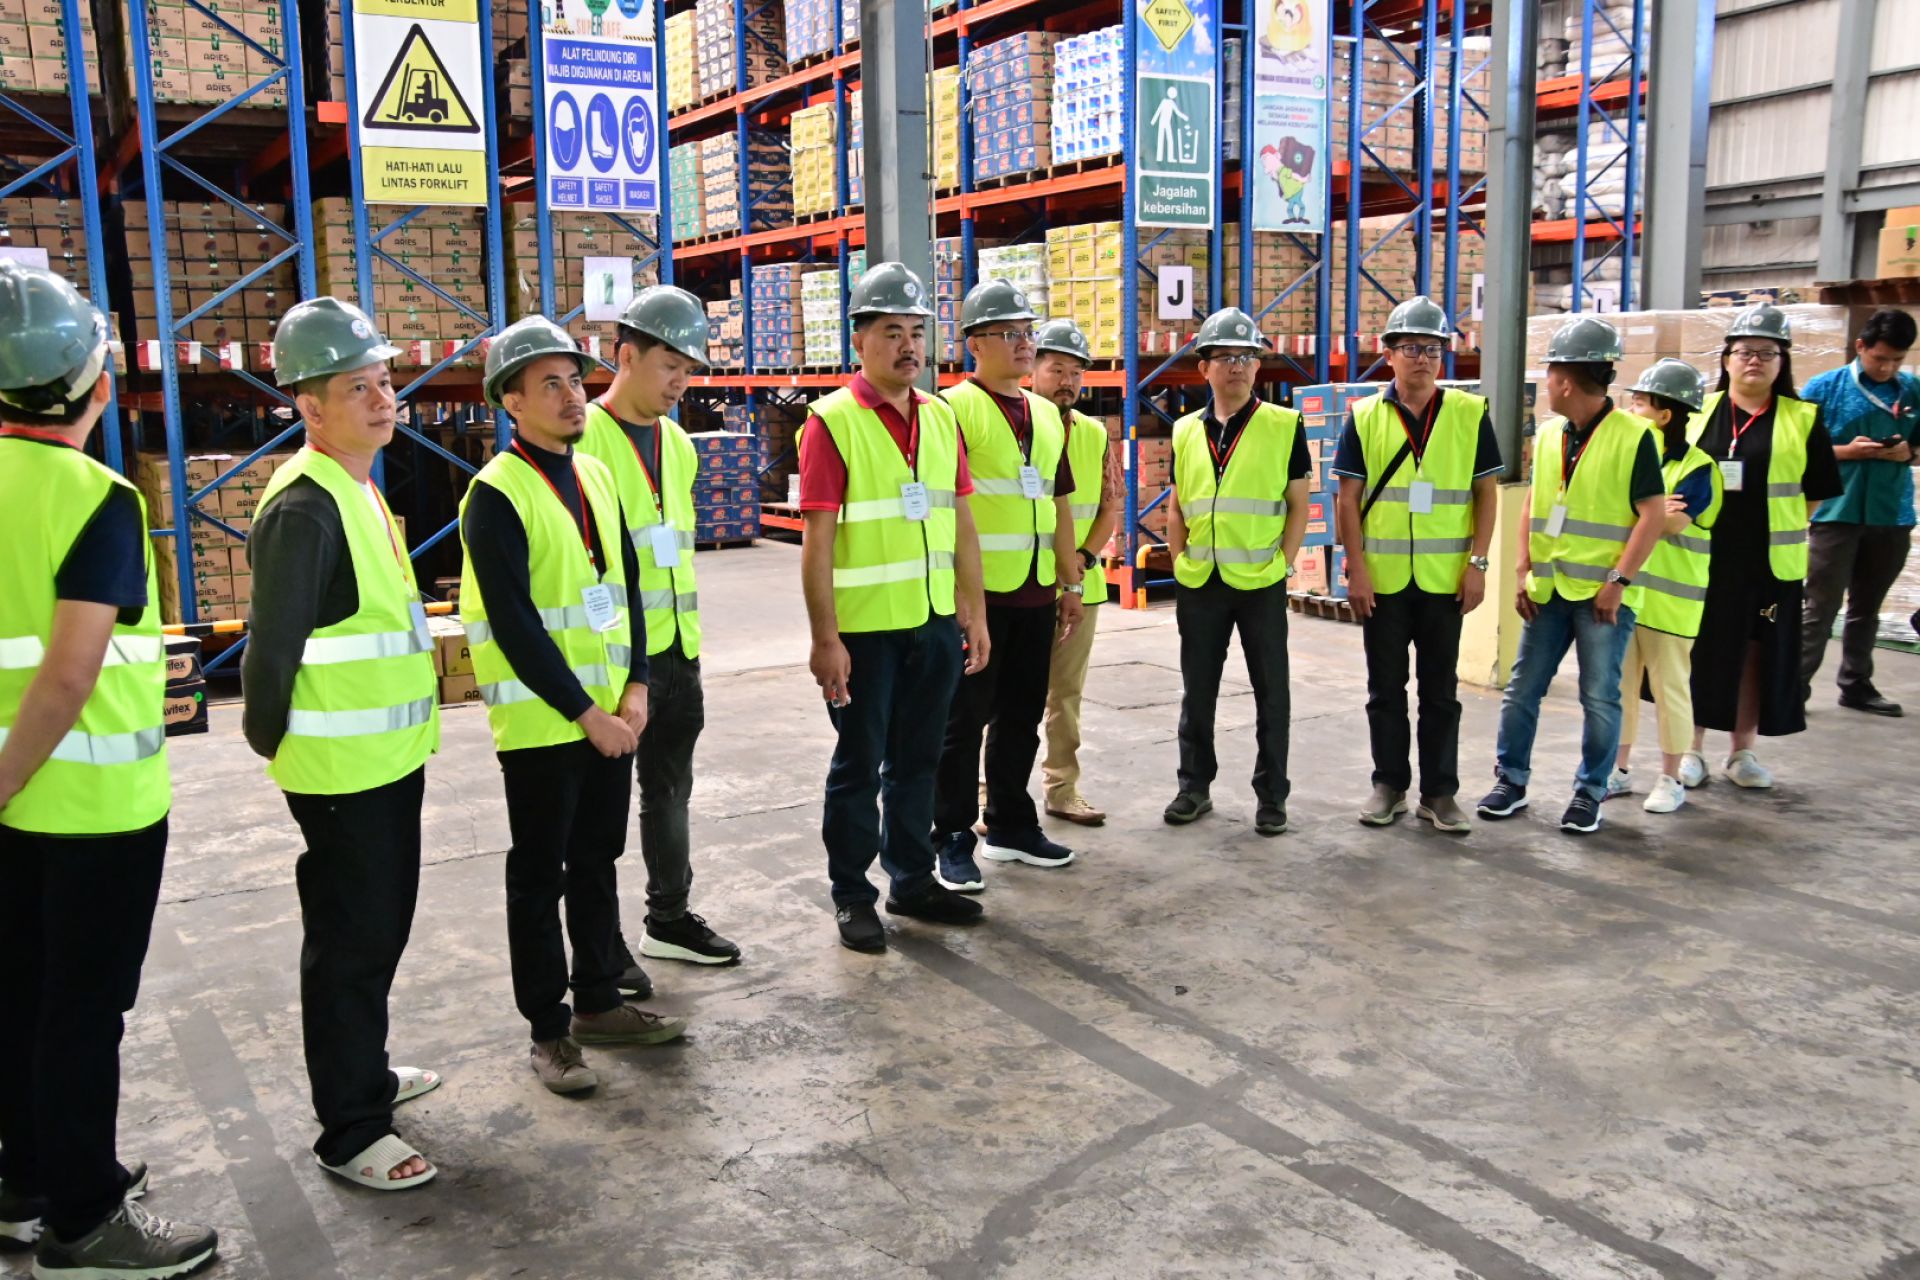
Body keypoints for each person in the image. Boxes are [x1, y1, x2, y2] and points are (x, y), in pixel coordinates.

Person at [0, 263, 217, 1276]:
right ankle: (85, 1220)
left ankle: (29, 1179)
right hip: (91, 810)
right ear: (96, 381)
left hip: (14, 815)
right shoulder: (98, 500)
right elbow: (70, 671)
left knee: (18, 994)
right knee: (83, 1013)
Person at [244, 298, 443, 1190]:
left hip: (384, 761)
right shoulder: (306, 507)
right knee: (351, 944)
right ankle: (351, 1128)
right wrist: (274, 742)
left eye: (384, 380)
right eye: (355, 388)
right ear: (308, 406)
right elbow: (271, 652)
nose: (381, 398)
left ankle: (367, 1075)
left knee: (378, 931)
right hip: (338, 772)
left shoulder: (357, 487)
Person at [460, 316, 686, 1096]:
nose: (571, 396)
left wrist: (636, 686)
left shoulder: (593, 475)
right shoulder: (496, 494)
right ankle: (548, 1032)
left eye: (575, 381)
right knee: (539, 876)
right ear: (512, 402)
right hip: (543, 724)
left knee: (597, 862)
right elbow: (515, 625)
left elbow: (628, 588)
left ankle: (598, 1000)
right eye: (549, 384)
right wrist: (588, 716)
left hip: (610, 716)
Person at [799, 262, 991, 951]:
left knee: (919, 763)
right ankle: (853, 895)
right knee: (859, 766)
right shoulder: (831, 423)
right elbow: (817, 542)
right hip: (865, 634)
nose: (909, 346)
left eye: (916, 331)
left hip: (933, 624)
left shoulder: (939, 417)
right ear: (859, 341)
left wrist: (975, 610)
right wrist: (826, 639)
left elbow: (960, 522)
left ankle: (912, 880)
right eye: (891, 332)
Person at [576, 285, 741, 985]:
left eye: (689, 369)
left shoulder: (677, 443)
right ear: (625, 356)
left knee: (670, 791)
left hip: (678, 649)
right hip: (613, 662)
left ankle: (668, 919)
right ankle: (599, 949)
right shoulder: (582, 437)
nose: (681, 382)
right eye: (670, 365)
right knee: (597, 816)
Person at [1477, 315, 1667, 835]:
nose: (1546, 382)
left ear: (1564, 380)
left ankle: (1590, 791)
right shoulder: (1549, 434)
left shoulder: (1635, 437)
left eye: (1550, 372)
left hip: (1602, 595)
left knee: (1599, 696)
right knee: (1523, 690)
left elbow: (1652, 514)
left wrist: (1618, 582)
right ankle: (1511, 781)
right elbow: (1534, 504)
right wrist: (1522, 567)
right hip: (1548, 589)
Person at [931, 278, 1085, 890]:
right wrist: (962, 600)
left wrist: (1070, 583)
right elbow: (945, 508)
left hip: (1036, 591)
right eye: (1009, 333)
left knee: (1022, 715)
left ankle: (1011, 825)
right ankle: (951, 835)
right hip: (981, 598)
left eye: (1028, 333)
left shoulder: (1046, 414)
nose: (1025, 344)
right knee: (963, 721)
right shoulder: (950, 410)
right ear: (975, 344)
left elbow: (1060, 501)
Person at [1332, 296, 1501, 834]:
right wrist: (1357, 568)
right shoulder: (1364, 417)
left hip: (1444, 580)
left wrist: (1478, 564)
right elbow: (1347, 499)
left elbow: (1486, 493)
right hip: (1382, 582)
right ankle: (1389, 785)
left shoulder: (1470, 414)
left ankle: (1440, 793)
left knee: (1440, 693)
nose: (1422, 358)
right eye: (1411, 348)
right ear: (1388, 355)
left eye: (1432, 348)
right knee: (1385, 690)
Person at [1163, 306, 1310, 836]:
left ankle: (1272, 796)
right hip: (1201, 582)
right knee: (1197, 691)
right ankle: (1193, 787)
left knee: (1272, 693)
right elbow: (1177, 506)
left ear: (1258, 366)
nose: (1237, 366)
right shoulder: (1185, 430)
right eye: (1225, 357)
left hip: (1260, 583)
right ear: (1204, 368)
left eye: (1246, 357)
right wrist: (1179, 560)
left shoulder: (1283, 425)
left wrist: (1284, 563)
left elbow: (1299, 504)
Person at [1684, 304, 1843, 789]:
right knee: (1701, 653)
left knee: (1756, 654)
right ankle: (1690, 749)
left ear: (1782, 362)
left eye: (1767, 352)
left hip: (1770, 562)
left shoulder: (1803, 418)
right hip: (1703, 557)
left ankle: (1742, 752)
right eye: (1745, 351)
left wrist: (1780, 524)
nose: (1754, 360)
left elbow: (1816, 492)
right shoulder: (1698, 414)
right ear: (1726, 359)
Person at [1604, 360, 1723, 815]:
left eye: (1639, 403)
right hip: (1627, 594)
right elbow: (1646, 513)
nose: (1630, 410)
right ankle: (1618, 770)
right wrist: (1653, 509)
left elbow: (1674, 522)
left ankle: (1671, 778)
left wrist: (1641, 510)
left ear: (1665, 414)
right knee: (1620, 688)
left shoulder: (1699, 468)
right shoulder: (1632, 459)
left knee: (1670, 691)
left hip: (1672, 604)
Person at [1798, 307, 1918, 718]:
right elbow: (1794, 449)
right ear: (1860, 346)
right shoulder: (1824, 388)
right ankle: (1792, 687)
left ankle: (1856, 684)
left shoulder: (1913, 391)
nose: (1887, 368)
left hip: (1891, 514)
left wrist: (1908, 453)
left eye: (1897, 360)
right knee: (1820, 606)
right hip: (1836, 512)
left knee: (1867, 608)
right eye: (1880, 358)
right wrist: (1845, 452)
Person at [1033, 318, 1121, 827]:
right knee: (1002, 696)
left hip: (1081, 588)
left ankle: (1062, 789)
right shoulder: (1014, 425)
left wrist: (1083, 559)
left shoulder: (1094, 433)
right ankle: (985, 791)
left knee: (1065, 696)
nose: (1067, 381)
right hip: (1019, 584)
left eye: (1075, 372)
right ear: (1033, 369)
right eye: (1057, 369)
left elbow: (1109, 506)